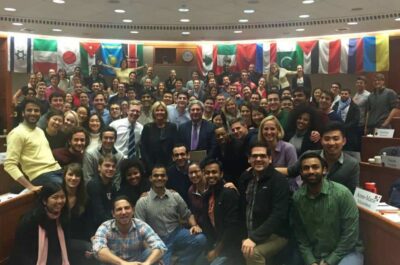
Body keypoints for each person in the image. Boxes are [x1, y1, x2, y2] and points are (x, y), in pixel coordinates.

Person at [291, 153, 363, 265]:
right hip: (315, 253)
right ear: (300, 173)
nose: (310, 171)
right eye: (306, 168)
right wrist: (311, 261)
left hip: (345, 252)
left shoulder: (342, 194)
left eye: (315, 167)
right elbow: (300, 235)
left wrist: (329, 262)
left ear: (324, 170)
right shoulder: (297, 197)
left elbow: (350, 235)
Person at [135, 165, 207, 265]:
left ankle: (181, 262)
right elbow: (140, 231)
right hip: (157, 240)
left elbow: (187, 214)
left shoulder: (174, 195)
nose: (159, 178)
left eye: (162, 175)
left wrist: (194, 225)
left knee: (201, 239)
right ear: (151, 178)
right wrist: (152, 252)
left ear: (166, 178)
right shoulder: (142, 201)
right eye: (156, 175)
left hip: (176, 233)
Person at [239, 142, 290, 265]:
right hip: (252, 231)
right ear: (249, 159)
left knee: (252, 252)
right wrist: (244, 236)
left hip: (276, 234)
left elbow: (279, 215)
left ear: (270, 159)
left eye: (262, 156)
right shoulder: (245, 178)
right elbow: (242, 208)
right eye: (255, 156)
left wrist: (253, 238)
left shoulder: (279, 180)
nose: (258, 159)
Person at [279, 121, 360, 193]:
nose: (331, 143)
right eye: (327, 139)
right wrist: (268, 169)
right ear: (321, 141)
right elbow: (290, 171)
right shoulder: (309, 156)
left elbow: (352, 193)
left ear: (344, 141)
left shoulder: (352, 164)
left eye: (336, 139)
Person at [4, 98, 63, 192]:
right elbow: (9, 165)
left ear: (40, 113)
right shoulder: (16, 133)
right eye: (29, 110)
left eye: (36, 110)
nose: (33, 113)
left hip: (57, 170)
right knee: (66, 190)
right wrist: (30, 187)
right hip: (41, 175)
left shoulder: (39, 131)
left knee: (79, 183)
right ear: (23, 113)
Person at [92, 196, 167, 265]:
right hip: (115, 263)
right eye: (119, 209)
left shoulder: (141, 225)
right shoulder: (105, 227)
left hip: (137, 262)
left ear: (133, 210)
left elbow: (160, 245)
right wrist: (123, 263)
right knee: (102, 258)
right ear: (113, 214)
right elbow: (98, 249)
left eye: (127, 208)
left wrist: (147, 263)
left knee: (152, 253)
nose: (124, 212)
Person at [10, 183, 71, 265]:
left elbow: (64, 246)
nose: (60, 201)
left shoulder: (63, 216)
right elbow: (21, 252)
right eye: (55, 197)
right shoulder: (30, 221)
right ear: (44, 201)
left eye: (62, 197)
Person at [202, 159, 243, 265]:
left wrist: (217, 251)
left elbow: (232, 227)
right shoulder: (206, 196)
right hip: (216, 243)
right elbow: (207, 226)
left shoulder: (229, 193)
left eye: (214, 172)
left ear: (221, 174)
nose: (211, 175)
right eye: (207, 173)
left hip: (232, 246)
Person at [141, 101, 178, 173]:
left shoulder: (172, 127)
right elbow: (143, 149)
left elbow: (175, 146)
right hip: (151, 166)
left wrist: (171, 165)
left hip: (170, 166)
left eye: (162, 110)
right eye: (157, 110)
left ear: (165, 112)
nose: (159, 112)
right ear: (153, 112)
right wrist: (150, 166)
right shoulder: (147, 127)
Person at [86, 154, 119, 232]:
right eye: (107, 165)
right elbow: (98, 214)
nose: (111, 169)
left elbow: (113, 208)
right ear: (99, 167)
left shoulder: (112, 186)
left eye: (113, 166)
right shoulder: (93, 185)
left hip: (109, 224)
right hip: (94, 228)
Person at [333, 87, 361, 151]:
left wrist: (345, 127)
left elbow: (356, 120)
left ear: (349, 95)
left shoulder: (354, 106)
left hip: (350, 133)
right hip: (337, 131)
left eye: (346, 94)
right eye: (342, 94)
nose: (344, 95)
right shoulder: (336, 105)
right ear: (340, 95)